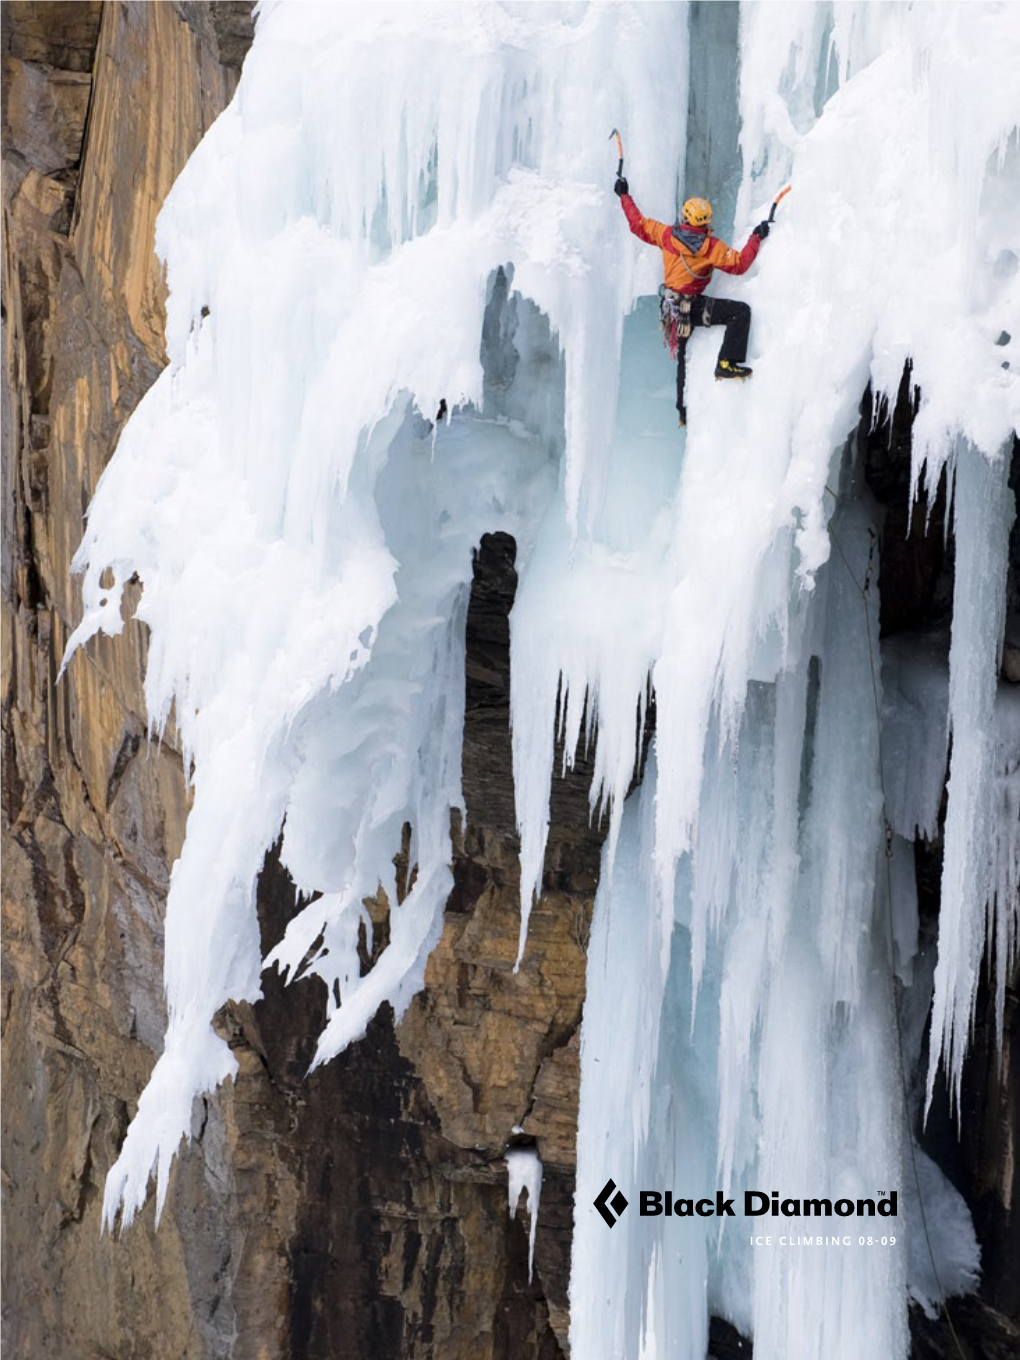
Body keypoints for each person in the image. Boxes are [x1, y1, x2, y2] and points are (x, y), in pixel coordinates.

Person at [615, 179, 770, 425]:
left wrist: (624, 195)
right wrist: (756, 238)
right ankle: (727, 363)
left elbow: (638, 225)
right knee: (739, 313)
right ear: (706, 221)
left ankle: (683, 411)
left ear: (685, 218)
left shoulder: (667, 235)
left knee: (683, 356)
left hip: (672, 310)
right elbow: (740, 264)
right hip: (694, 308)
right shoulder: (711, 247)